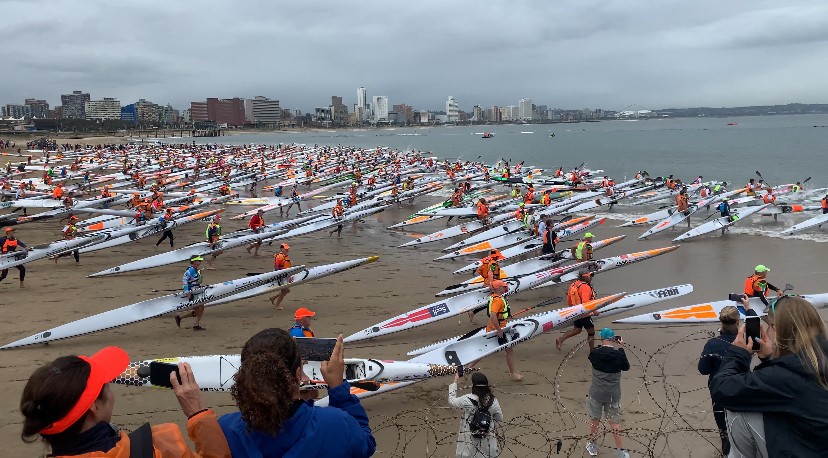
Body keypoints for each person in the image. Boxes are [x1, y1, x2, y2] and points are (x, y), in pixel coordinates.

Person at [19, 346, 231, 457]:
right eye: (106, 386)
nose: (111, 394)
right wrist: (197, 414)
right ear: (95, 407)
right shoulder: (160, 448)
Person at [218, 330, 376, 457]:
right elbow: (365, 445)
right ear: (298, 374)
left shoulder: (223, 431)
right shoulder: (337, 423)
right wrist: (338, 389)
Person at [710, 296, 828, 457]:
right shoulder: (814, 361)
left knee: (739, 407)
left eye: (770, 326)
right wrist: (769, 358)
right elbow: (787, 391)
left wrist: (738, 354)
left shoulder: (787, 376)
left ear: (777, 330)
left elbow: (723, 389)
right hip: (816, 442)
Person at [698, 305, 742, 456]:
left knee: (723, 428)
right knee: (740, 426)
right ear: (738, 322)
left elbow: (702, 369)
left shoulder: (712, 344)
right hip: (741, 388)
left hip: (718, 390)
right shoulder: (744, 342)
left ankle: (726, 449)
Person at [585, 328, 631, 458]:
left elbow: (591, 356)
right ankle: (620, 451)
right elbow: (626, 367)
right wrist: (621, 347)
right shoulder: (618, 355)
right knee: (614, 422)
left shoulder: (595, 353)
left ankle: (593, 444)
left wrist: (601, 346)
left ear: (601, 338)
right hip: (613, 395)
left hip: (597, 393)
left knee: (595, 420)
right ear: (613, 339)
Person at [469, 280, 522, 381]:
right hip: (496, 330)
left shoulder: (494, 297)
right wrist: (499, 331)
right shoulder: (497, 300)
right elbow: (493, 316)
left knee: (484, 352)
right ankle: (513, 374)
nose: (505, 288)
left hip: (493, 328)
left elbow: (498, 313)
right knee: (509, 351)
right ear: (498, 288)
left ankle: (467, 370)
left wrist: (506, 316)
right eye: (503, 287)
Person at [448, 371, 504, 458]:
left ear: (473, 385)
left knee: (467, 453)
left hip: (469, 437)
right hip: (488, 438)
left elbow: (451, 400)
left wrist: (455, 380)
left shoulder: (467, 399)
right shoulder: (493, 400)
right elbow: (499, 417)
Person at [556, 271, 598, 351]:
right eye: (589, 276)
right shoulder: (585, 287)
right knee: (591, 332)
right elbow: (586, 302)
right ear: (585, 277)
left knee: (577, 330)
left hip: (576, 311)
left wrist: (572, 309)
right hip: (585, 313)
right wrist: (594, 311)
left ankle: (561, 339)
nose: (591, 278)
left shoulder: (574, 284)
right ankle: (592, 351)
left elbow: (569, 299)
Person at [175, 256, 206, 331]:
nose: (199, 262)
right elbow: (185, 280)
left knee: (200, 308)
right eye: (198, 261)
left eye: (200, 261)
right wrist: (187, 291)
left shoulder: (195, 269)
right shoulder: (191, 270)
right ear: (194, 261)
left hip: (196, 290)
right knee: (199, 309)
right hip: (192, 292)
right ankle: (195, 325)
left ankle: (181, 318)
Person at [269, 243, 292, 310]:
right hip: (281, 276)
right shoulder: (280, 256)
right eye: (286, 249)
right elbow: (276, 267)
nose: (287, 250)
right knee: (285, 290)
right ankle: (277, 305)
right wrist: (280, 276)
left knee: (286, 290)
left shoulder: (285, 256)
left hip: (285, 276)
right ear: (281, 249)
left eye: (287, 249)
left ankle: (273, 298)